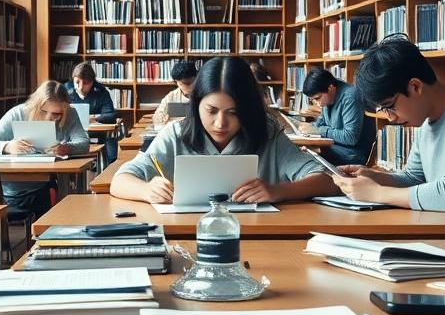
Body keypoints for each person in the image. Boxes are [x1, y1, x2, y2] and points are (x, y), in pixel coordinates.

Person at [111, 56, 337, 204]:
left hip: (258, 235)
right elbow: (120, 180)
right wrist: (146, 190)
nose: (220, 123)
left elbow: (326, 179)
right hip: (187, 237)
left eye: (233, 112)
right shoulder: (175, 134)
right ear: (196, 103)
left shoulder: (267, 135)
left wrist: (275, 191)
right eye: (211, 110)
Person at [331, 36, 445, 217]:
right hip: (441, 227)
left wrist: (375, 193)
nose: (390, 118)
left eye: (390, 107)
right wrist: (373, 177)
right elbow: (414, 178)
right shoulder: (427, 118)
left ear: (416, 87)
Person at [0, 80, 89, 217]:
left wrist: (66, 148)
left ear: (64, 109)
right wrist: (8, 146)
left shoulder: (70, 113)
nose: (49, 118)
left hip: (43, 186)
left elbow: (84, 143)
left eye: (56, 114)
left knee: (57, 204)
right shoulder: (17, 113)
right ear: (36, 105)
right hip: (10, 189)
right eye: (43, 112)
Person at [300, 69, 375, 165]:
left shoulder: (351, 96)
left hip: (352, 154)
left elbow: (350, 137)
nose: (316, 102)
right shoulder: (327, 97)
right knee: (303, 152)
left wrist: (319, 130)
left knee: (306, 158)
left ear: (330, 88)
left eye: (317, 98)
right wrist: (309, 127)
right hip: (334, 147)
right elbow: (320, 122)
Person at [66, 62, 118, 164]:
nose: (80, 87)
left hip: (98, 134)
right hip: (72, 134)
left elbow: (111, 115)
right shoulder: (66, 90)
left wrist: (94, 118)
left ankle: (108, 169)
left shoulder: (101, 92)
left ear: (92, 82)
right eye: (77, 82)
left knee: (111, 146)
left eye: (85, 83)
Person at [151, 60, 198, 128]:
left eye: (193, 82)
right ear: (177, 83)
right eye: (186, 83)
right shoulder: (171, 97)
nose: (192, 86)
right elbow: (158, 114)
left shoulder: (204, 95)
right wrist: (159, 117)